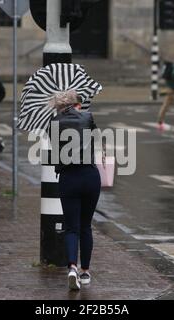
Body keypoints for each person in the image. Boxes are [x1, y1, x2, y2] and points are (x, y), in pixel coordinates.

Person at [49, 91, 104, 291]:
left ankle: (72, 266)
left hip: (68, 178)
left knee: (71, 228)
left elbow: (55, 152)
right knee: (86, 226)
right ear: (76, 105)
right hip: (89, 176)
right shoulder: (87, 117)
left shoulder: (54, 122)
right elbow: (97, 140)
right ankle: (86, 271)